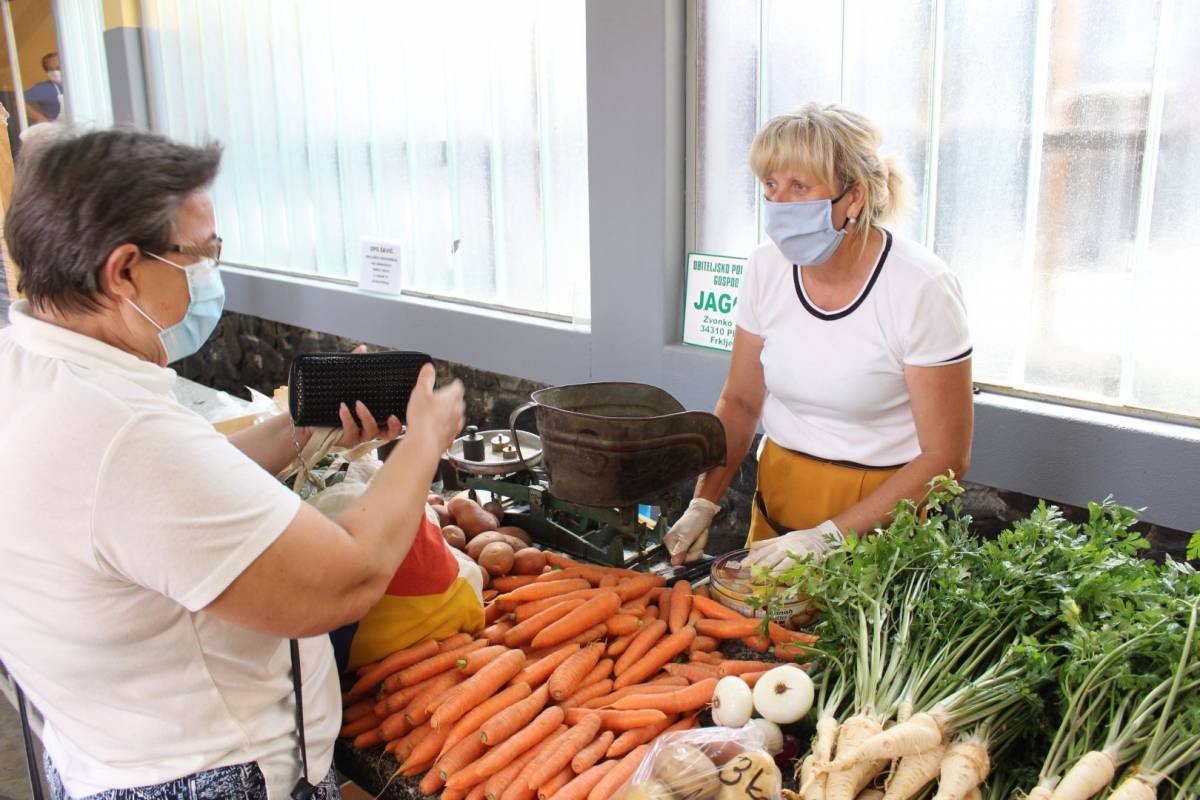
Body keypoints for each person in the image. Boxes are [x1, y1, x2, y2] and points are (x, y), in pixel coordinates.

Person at [0, 127, 464, 799]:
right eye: (202, 253)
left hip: (101, 755)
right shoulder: (124, 435)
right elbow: (347, 580)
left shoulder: (28, 369)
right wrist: (424, 444)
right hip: (208, 773)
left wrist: (298, 433)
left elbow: (166, 499)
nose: (211, 273)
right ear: (124, 271)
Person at [664, 103, 973, 574]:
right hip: (781, 491)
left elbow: (946, 456)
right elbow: (742, 402)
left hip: (881, 517)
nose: (779, 203)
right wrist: (704, 502)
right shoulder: (765, 268)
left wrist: (828, 537)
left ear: (855, 197)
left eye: (800, 187)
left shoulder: (920, 287)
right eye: (771, 185)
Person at [24, 52, 64, 124]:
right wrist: (41, 118)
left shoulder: (79, 84)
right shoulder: (43, 88)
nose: (55, 72)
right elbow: (18, 102)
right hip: (57, 129)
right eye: (50, 69)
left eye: (58, 68)